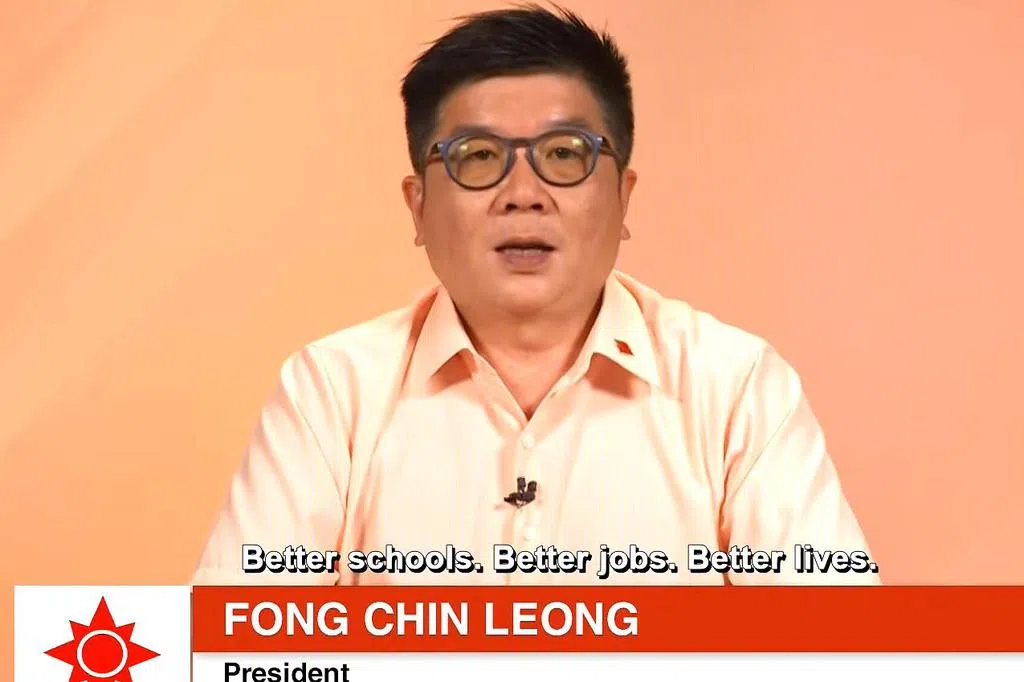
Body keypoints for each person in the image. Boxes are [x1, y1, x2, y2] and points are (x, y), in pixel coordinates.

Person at [191, 4, 879, 586]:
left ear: (623, 197)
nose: (523, 195)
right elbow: (230, 649)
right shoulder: (331, 393)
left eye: (564, 154)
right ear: (418, 205)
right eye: (478, 158)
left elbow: (840, 649)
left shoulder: (735, 389)